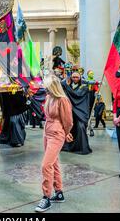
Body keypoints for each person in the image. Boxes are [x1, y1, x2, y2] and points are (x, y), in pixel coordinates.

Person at [35, 75, 73, 212]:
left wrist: (66, 132)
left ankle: (46, 197)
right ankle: (59, 192)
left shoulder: (63, 100)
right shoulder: (49, 97)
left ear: (53, 86)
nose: (45, 89)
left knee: (46, 165)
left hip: (57, 134)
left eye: (47, 86)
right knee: (54, 162)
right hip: (47, 132)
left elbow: (68, 121)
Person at [61, 71, 92, 155]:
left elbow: (77, 95)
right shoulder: (69, 85)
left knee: (80, 127)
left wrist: (66, 86)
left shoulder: (84, 86)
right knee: (69, 128)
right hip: (70, 111)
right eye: (73, 77)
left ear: (80, 78)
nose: (75, 79)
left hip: (80, 112)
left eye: (76, 77)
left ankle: (82, 148)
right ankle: (68, 147)